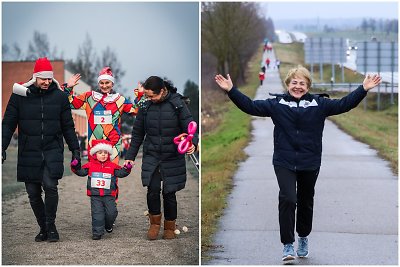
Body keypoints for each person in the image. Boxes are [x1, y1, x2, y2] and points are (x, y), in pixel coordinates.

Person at [214, 66, 382, 262]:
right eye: (294, 82)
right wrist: (231, 91)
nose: (298, 86)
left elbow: (344, 104)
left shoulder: (320, 104)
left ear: (308, 86)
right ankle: (287, 244)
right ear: (287, 84)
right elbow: (250, 106)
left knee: (305, 201)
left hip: (310, 162)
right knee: (288, 198)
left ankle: (303, 237)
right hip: (284, 161)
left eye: (302, 83)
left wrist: (363, 89)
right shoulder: (277, 104)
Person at [2, 57, 81, 242]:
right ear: (35, 77)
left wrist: (76, 151)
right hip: (29, 151)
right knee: (33, 193)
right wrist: (2, 147)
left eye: (48, 78)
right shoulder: (19, 96)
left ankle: (51, 225)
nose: (46, 82)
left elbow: (68, 126)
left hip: (52, 149)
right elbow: (8, 124)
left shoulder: (60, 97)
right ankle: (43, 227)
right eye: (42, 78)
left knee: (51, 187)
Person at [124, 76, 198, 240]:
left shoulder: (177, 103)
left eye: (152, 96)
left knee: (169, 193)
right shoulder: (145, 106)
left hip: (172, 155)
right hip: (152, 154)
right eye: (147, 96)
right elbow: (137, 133)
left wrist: (192, 143)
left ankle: (170, 226)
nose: (149, 99)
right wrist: (130, 156)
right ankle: (154, 224)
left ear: (163, 91)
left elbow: (190, 126)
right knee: (152, 190)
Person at [63, 67, 144, 164]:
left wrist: (140, 95)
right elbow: (70, 103)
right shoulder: (89, 97)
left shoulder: (120, 100)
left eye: (107, 83)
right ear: (98, 83)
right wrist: (69, 87)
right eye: (102, 83)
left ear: (112, 84)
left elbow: (136, 110)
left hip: (113, 143)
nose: (104, 86)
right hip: (94, 143)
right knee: (94, 174)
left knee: (112, 174)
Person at [71, 139, 132, 240]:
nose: (103, 155)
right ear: (95, 154)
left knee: (111, 213)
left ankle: (108, 225)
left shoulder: (112, 166)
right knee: (97, 214)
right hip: (95, 196)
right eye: (100, 153)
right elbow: (81, 172)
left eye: (105, 153)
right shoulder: (90, 165)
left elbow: (121, 173)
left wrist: (127, 168)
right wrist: (75, 167)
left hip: (109, 195)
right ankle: (97, 232)